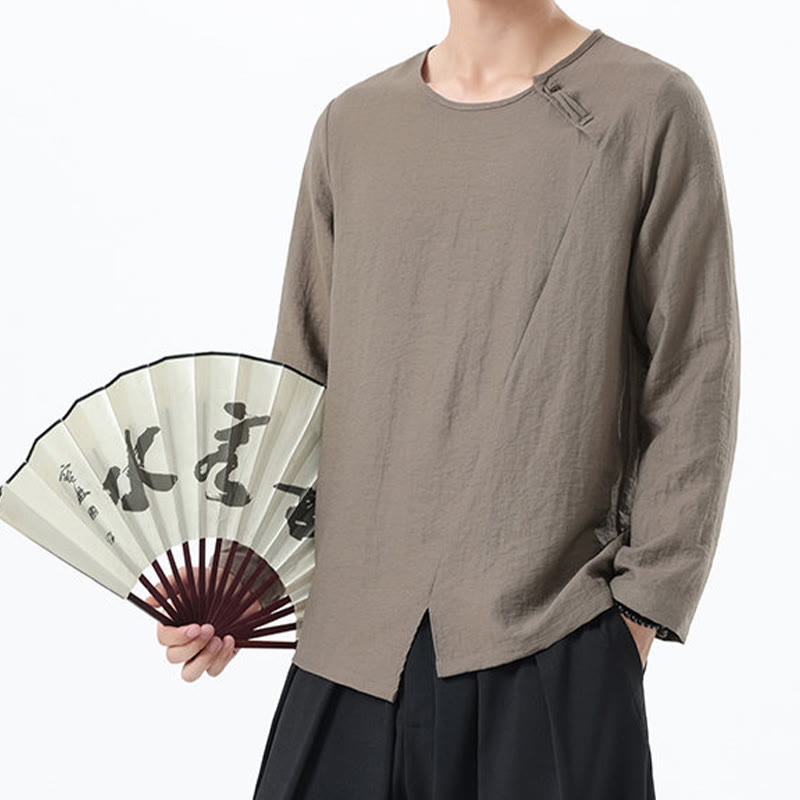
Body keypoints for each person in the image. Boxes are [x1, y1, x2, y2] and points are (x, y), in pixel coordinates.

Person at [149, 3, 740, 798]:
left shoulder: (648, 106)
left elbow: (695, 368)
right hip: (348, 654)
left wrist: (636, 616)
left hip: (551, 639)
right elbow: (303, 380)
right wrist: (243, 585)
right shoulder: (353, 125)